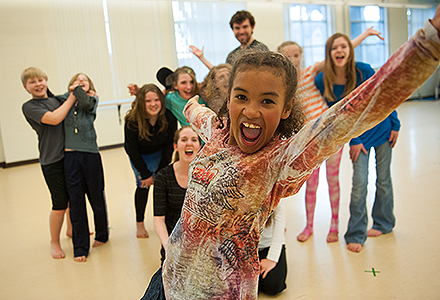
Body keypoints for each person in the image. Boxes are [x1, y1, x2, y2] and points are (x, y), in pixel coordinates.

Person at [141, 9, 440, 299]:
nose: (251, 111)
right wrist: (189, 103)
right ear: (229, 98)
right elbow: (198, 112)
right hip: (167, 280)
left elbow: (350, 115)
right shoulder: (217, 131)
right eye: (241, 97)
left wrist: (430, 44)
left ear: (286, 109)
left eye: (267, 101)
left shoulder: (278, 161)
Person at [277, 28, 384, 243]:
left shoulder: (309, 72)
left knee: (333, 180)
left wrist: (365, 34)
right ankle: (309, 226)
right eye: (287, 56)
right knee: (311, 183)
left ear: (301, 56)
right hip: (309, 142)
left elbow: (341, 52)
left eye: (296, 55)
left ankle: (334, 226)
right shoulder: (283, 86)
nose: (293, 59)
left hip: (330, 134)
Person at [21, 67, 76, 259]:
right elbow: (54, 118)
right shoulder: (29, 106)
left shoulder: (56, 100)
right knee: (60, 203)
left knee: (72, 196)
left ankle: (71, 229)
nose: (38, 84)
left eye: (40, 80)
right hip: (51, 161)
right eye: (32, 82)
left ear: (46, 81)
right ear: (26, 87)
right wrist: (72, 97)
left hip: (68, 157)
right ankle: (54, 242)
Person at [59, 73, 109, 262]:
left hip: (91, 154)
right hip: (71, 155)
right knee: (76, 201)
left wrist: (77, 90)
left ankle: (102, 234)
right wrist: (73, 92)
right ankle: (80, 247)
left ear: (90, 86)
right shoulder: (64, 100)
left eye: (84, 80)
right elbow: (55, 100)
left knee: (96, 196)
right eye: (76, 80)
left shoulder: (92, 99)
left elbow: (87, 104)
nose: (80, 82)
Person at [124, 84, 177, 238]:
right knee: (143, 186)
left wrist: (161, 171)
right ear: (141, 102)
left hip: (160, 154)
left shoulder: (169, 117)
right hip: (140, 156)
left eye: (156, 100)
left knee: (162, 187)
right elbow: (131, 150)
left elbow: (169, 148)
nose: (153, 104)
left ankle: (165, 221)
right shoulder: (132, 121)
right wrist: (145, 173)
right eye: (148, 101)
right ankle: (139, 224)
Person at [153, 126, 202, 265]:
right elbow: (158, 220)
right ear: (176, 146)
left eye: (194, 139)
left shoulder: (207, 175)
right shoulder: (163, 177)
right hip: (173, 244)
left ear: (199, 146)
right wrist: (168, 247)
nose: (189, 143)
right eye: (184, 139)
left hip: (201, 247)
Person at [128, 67, 207, 127]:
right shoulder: (171, 99)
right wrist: (139, 93)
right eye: (183, 83)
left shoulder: (203, 97)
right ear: (175, 85)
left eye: (192, 82)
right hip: (190, 138)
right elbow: (155, 100)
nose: (189, 87)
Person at [258, 200, 287, 296]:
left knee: (273, 285)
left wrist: (271, 259)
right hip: (245, 247)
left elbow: (279, 225)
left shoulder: (276, 190)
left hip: (268, 244)